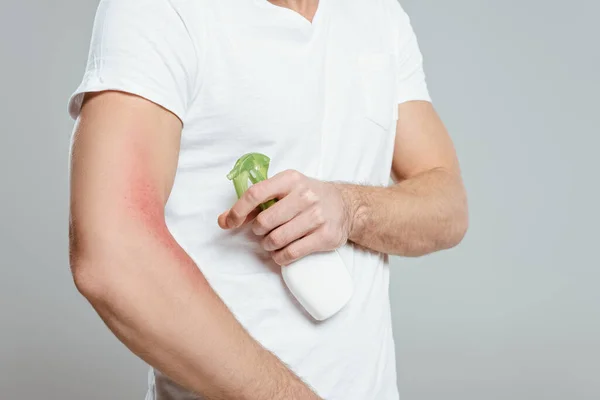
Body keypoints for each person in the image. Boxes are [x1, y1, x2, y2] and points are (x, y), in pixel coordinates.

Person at [67, 0, 468, 399]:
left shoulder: (379, 15)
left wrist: (349, 208)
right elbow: (112, 252)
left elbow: (447, 203)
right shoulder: (159, 10)